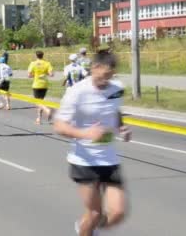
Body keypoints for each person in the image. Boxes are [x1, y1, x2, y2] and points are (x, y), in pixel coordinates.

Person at [53, 50, 131, 236]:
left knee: (118, 213)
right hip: (84, 161)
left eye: (111, 76)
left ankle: (85, 228)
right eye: (104, 75)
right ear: (94, 68)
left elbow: (114, 109)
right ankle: (86, 229)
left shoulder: (116, 88)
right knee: (94, 214)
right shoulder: (77, 91)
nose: (107, 81)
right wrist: (85, 133)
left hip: (109, 159)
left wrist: (121, 127)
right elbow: (59, 126)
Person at [28, 51, 53, 125]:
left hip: (36, 84)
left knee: (38, 102)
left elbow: (29, 75)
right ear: (43, 55)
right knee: (41, 101)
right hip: (44, 84)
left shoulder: (33, 63)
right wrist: (45, 74)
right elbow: (51, 74)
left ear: (36, 56)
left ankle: (47, 110)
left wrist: (35, 75)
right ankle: (38, 118)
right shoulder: (47, 63)